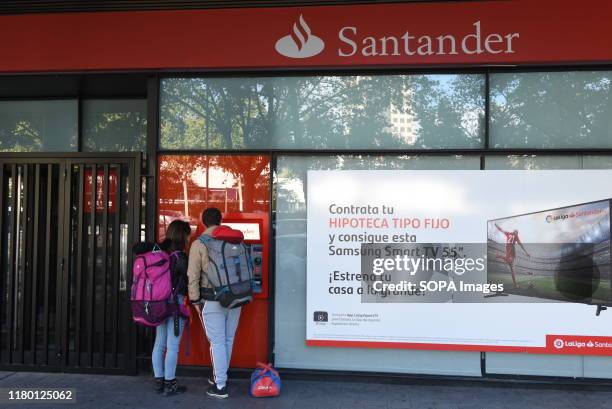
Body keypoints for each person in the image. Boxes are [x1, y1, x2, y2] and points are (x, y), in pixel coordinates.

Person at [133, 219, 191, 396]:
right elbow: (188, 281)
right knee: (172, 346)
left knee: (159, 344)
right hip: (175, 305)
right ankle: (170, 383)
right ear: (183, 235)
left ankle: (159, 381)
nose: (190, 237)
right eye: (188, 234)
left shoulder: (160, 254)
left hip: (158, 304)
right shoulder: (180, 256)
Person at [187, 207, 241, 399]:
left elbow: (192, 275)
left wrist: (194, 299)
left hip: (212, 299)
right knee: (228, 339)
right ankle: (221, 375)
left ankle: (220, 386)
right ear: (220, 220)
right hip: (236, 297)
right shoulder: (234, 239)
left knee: (216, 342)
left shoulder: (199, 243)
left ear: (203, 221)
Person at [495, 223, 530, 288]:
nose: (517, 233)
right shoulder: (516, 235)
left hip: (508, 250)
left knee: (511, 266)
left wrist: (496, 225)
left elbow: (501, 230)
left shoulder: (508, 233)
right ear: (516, 232)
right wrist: (526, 252)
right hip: (511, 251)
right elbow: (520, 244)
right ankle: (515, 284)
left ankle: (515, 284)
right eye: (517, 232)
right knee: (511, 266)